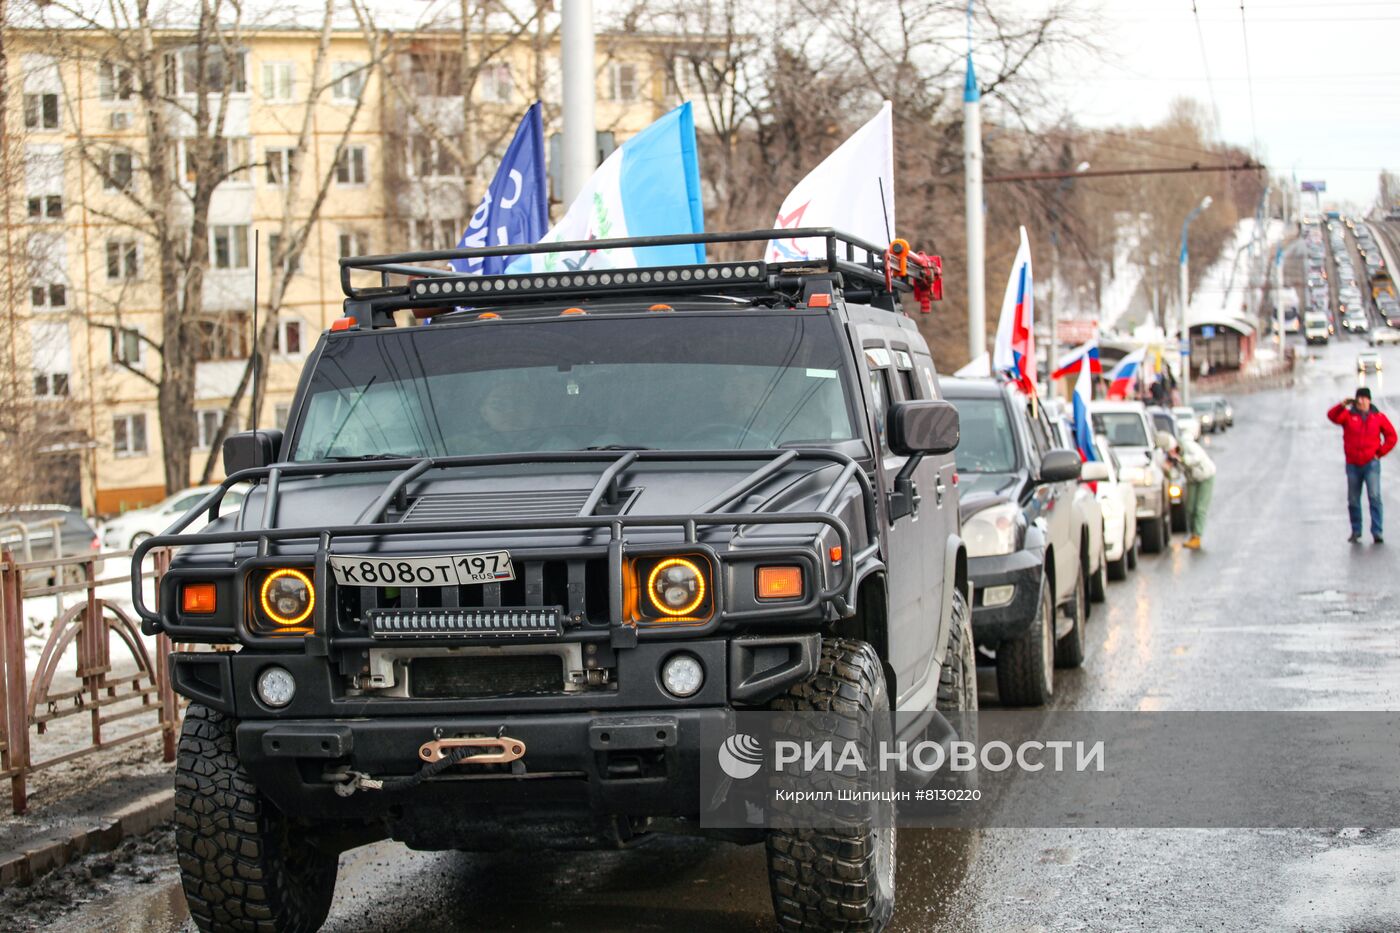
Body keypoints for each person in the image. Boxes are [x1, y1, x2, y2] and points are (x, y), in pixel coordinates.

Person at [1327, 387, 1396, 544]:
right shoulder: (1348, 416)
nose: (1361, 401)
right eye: (1359, 398)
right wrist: (1342, 405)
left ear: (1369, 400)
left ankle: (1377, 531)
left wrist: (1380, 453)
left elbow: (1392, 436)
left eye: (1364, 398)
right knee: (1353, 499)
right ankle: (1356, 530)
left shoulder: (1378, 417)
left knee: (1374, 497)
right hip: (1353, 464)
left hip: (1371, 463)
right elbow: (1331, 416)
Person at [1160, 430, 1216, 550]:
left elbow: (1198, 457)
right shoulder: (1173, 457)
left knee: (1200, 508)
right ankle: (1192, 534)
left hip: (1205, 476)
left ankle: (1197, 536)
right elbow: (1176, 474)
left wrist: (1182, 458)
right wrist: (1168, 469)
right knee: (1190, 508)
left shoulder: (1187, 445)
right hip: (1192, 480)